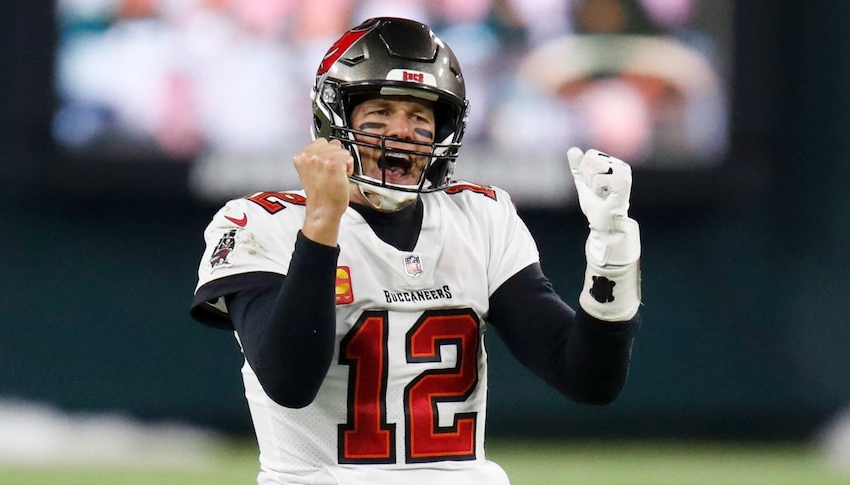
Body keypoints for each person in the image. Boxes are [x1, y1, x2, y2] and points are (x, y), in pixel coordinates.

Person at [191, 16, 641, 485]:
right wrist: (322, 223)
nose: (401, 132)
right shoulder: (263, 223)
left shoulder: (479, 217)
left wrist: (613, 257)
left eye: (420, 117)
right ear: (335, 122)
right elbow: (289, 381)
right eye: (380, 115)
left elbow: (587, 378)